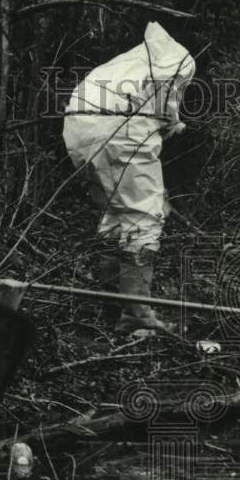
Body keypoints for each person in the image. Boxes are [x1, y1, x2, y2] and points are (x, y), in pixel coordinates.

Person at [62, 22, 196, 335]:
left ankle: (111, 304)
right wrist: (173, 123)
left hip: (79, 128)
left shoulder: (133, 60)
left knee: (116, 214)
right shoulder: (181, 59)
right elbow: (165, 101)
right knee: (143, 218)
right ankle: (137, 316)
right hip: (119, 127)